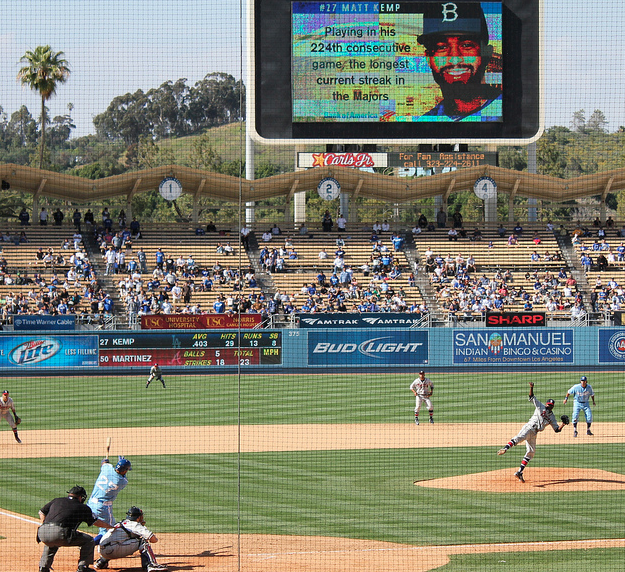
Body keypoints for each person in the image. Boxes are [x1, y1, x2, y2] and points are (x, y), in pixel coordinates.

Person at [417, 2, 501, 122]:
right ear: (428, 59)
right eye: (441, 47)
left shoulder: (507, 111)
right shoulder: (426, 122)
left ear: (486, 54)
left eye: (467, 45)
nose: (454, 58)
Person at [497, 382, 567, 482]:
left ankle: (519, 472)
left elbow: (556, 430)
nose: (549, 406)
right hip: (529, 427)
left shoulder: (552, 417)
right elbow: (531, 397)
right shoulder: (540, 406)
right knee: (518, 438)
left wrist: (563, 425)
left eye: (551, 405)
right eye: (548, 404)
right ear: (546, 404)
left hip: (534, 433)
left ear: (553, 406)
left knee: (531, 452)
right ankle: (505, 449)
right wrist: (531, 387)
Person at [38, 485, 113, 572]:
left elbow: (41, 512)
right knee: (89, 540)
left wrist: (44, 525)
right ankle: (83, 567)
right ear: (80, 497)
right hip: (60, 533)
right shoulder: (83, 507)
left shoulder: (57, 500)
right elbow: (96, 522)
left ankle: (43, 567)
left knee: (52, 542)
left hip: (42, 532)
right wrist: (110, 526)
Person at [94, 506, 167, 571]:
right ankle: (151, 565)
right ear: (138, 518)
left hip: (102, 551)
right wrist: (142, 528)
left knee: (117, 540)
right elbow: (153, 539)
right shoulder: (135, 525)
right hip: (113, 550)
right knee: (142, 541)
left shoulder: (122, 523)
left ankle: (102, 562)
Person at [87, 456, 132, 535]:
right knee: (109, 529)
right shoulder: (122, 482)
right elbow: (122, 475)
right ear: (124, 471)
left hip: (90, 503)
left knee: (102, 527)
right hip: (102, 507)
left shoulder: (107, 469)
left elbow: (104, 463)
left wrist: (105, 461)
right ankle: (95, 544)